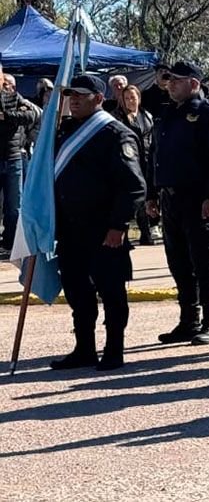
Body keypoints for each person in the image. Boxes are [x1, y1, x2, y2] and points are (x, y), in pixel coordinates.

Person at [47, 75, 146, 372]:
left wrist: (117, 225)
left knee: (111, 291)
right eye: (70, 94)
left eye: (81, 94)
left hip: (103, 229)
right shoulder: (64, 130)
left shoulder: (115, 134)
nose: (74, 99)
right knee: (77, 290)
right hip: (70, 228)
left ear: (99, 98)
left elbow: (133, 186)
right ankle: (84, 349)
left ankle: (114, 349)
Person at [148, 61, 209, 346]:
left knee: (203, 262)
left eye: (176, 80)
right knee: (179, 264)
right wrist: (152, 193)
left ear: (194, 84)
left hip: (198, 200)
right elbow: (155, 156)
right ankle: (189, 319)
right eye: (168, 79)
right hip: (170, 198)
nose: (170, 84)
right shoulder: (167, 113)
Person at [0, 66, 37, 255]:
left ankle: (10, 244)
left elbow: (33, 115)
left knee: (14, 206)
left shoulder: (15, 98)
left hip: (13, 157)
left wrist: (7, 116)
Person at [116, 85, 157, 246]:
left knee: (144, 198)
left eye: (133, 97)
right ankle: (123, 235)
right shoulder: (118, 118)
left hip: (145, 162)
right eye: (127, 98)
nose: (130, 101)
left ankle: (146, 233)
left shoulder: (146, 116)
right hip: (126, 162)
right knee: (126, 200)